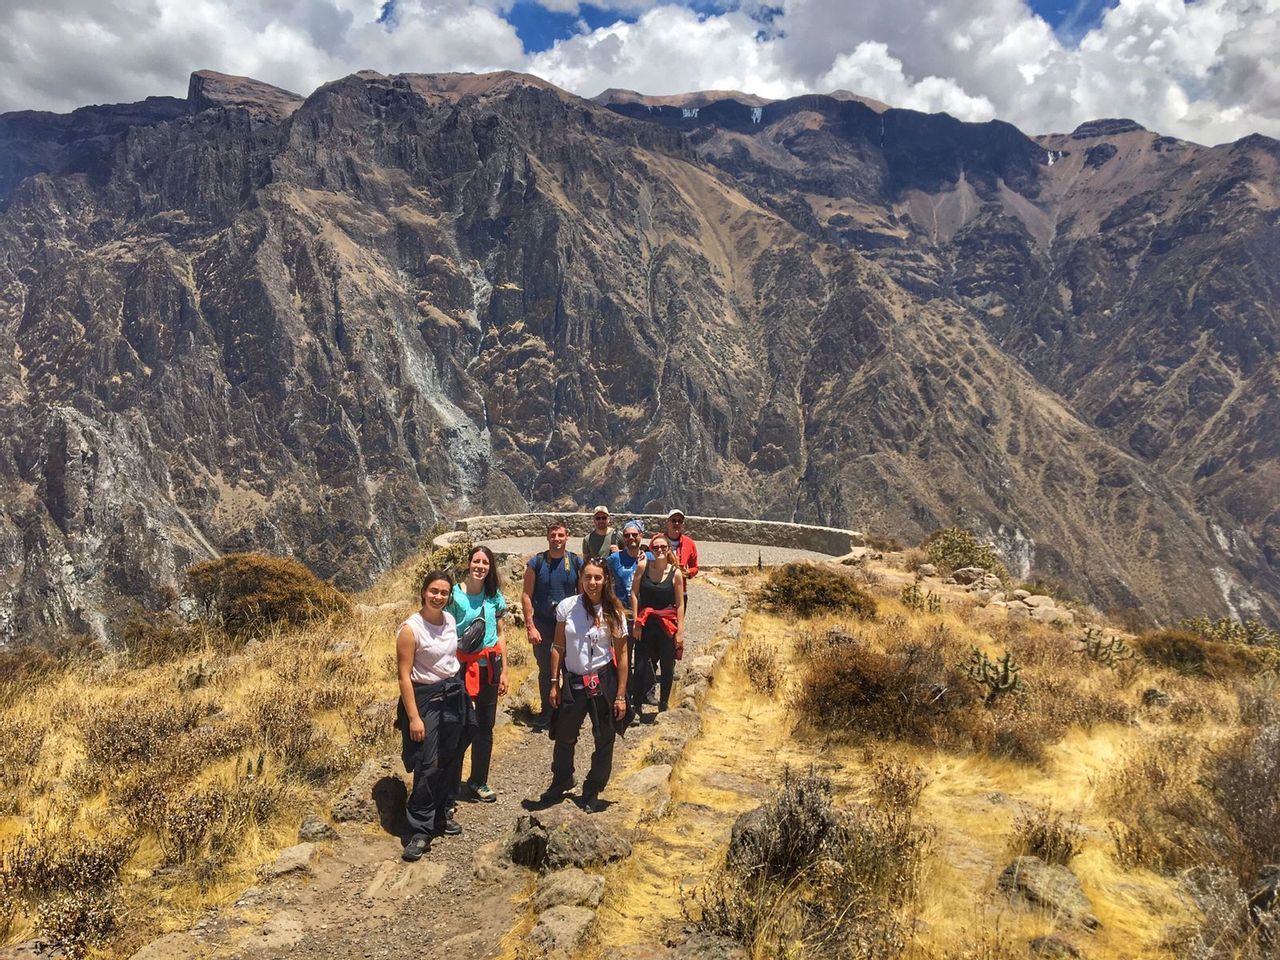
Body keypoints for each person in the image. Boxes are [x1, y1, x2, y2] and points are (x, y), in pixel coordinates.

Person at [541, 558, 629, 812]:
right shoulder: (567, 607)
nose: (592, 583)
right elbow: (558, 646)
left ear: (606, 580)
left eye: (597, 577)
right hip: (574, 679)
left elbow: (622, 655)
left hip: (603, 679)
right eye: (587, 577)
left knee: (604, 736)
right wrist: (554, 682)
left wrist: (620, 695)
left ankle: (593, 788)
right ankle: (562, 778)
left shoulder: (614, 612)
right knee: (564, 734)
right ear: (580, 578)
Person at [396, 570, 469, 861]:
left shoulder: (449, 620)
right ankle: (419, 829)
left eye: (444, 592)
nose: (438, 597)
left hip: (452, 695)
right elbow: (404, 677)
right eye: (433, 591)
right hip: (425, 699)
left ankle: (440, 815)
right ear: (423, 592)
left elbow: (450, 659)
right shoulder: (410, 629)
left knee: (450, 757)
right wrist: (414, 717)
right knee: (428, 763)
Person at [447, 545, 508, 804]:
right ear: (468, 563)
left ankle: (478, 780)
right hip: (460, 668)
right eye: (476, 561)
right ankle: (450, 787)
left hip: (489, 667)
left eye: (485, 562)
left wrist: (504, 671)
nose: (480, 566)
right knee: (458, 727)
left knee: (485, 726)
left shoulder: (494, 596)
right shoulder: (454, 595)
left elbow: (501, 634)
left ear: (490, 567)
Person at [521, 521, 582, 730]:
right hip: (543, 625)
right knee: (546, 670)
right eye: (553, 535)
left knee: (570, 668)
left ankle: (570, 710)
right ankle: (547, 711)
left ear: (567, 537)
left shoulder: (575, 562)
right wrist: (530, 626)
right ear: (547, 537)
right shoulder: (536, 563)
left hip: (569, 625)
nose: (557, 539)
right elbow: (526, 595)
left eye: (560, 535)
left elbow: (582, 595)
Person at [632, 533, 685, 713]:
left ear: (669, 549)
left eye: (663, 547)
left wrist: (680, 631)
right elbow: (634, 593)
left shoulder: (676, 573)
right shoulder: (643, 566)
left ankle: (663, 705)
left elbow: (680, 604)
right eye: (655, 547)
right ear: (651, 550)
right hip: (645, 622)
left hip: (666, 624)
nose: (659, 550)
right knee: (640, 664)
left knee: (667, 665)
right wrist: (636, 621)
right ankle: (637, 705)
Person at [606, 519, 646, 672]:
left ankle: (643, 685)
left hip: (644, 614)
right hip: (623, 613)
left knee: (644, 655)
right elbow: (602, 577)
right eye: (627, 535)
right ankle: (625, 685)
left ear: (641, 535)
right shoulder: (615, 559)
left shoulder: (649, 557)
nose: (631, 538)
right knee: (623, 655)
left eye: (634, 534)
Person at [664, 509, 699, 608]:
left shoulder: (689, 543)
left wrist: (688, 572)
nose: (677, 523)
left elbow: (695, 567)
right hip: (660, 590)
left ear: (683, 524)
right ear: (667, 523)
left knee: (679, 618)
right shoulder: (658, 541)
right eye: (673, 520)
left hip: (680, 592)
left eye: (680, 521)